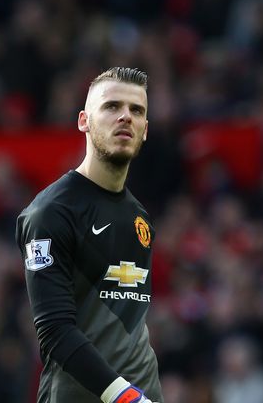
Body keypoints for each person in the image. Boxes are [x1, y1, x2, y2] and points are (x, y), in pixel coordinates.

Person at [16, 67, 163, 402]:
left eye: (136, 110)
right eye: (112, 107)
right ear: (84, 120)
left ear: (145, 130)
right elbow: (55, 332)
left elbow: (128, 323)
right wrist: (124, 397)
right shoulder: (51, 213)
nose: (125, 116)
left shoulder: (140, 217)